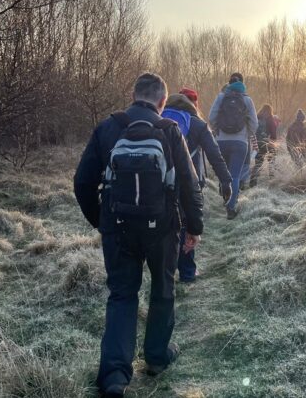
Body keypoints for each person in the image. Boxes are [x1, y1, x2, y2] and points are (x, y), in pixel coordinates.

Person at [73, 73, 204, 398]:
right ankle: (157, 357)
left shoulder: (108, 127)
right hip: (162, 229)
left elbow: (82, 182)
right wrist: (195, 228)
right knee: (162, 289)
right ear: (162, 102)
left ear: (132, 95)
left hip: (117, 228)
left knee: (122, 295)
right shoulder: (170, 130)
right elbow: (189, 185)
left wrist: (100, 221)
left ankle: (115, 376)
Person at [163, 91, 232, 283]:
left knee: (164, 224)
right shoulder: (198, 124)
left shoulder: (157, 120)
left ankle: (165, 270)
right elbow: (214, 154)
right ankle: (187, 272)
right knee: (187, 225)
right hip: (188, 183)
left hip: (160, 183)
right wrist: (226, 181)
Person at [208, 72, 258, 219]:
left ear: (229, 84)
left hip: (221, 142)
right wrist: (246, 135)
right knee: (235, 176)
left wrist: (217, 131)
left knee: (224, 174)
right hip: (240, 143)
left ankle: (224, 196)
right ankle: (231, 208)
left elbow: (211, 117)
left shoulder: (221, 97)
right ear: (242, 84)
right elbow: (254, 123)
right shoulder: (247, 100)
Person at [251, 104, 279, 187]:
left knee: (258, 163)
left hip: (257, 143)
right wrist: (274, 143)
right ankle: (272, 181)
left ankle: (253, 182)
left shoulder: (257, 117)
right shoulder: (270, 119)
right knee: (271, 161)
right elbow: (273, 134)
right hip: (268, 142)